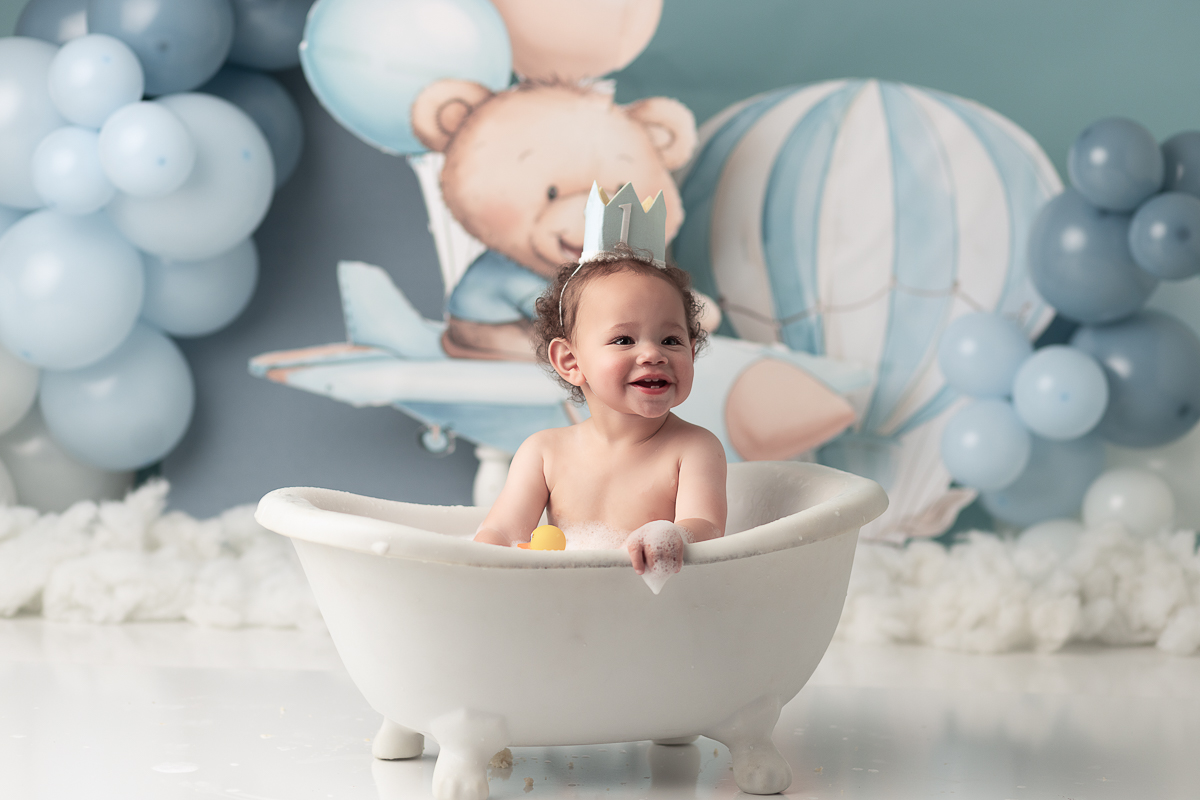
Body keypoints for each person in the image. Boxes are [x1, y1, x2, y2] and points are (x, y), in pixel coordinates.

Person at [473, 242, 726, 580]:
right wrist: (475, 566)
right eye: (624, 340)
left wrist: (672, 534)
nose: (653, 354)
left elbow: (706, 528)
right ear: (571, 361)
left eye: (671, 340)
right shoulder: (544, 452)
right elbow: (502, 534)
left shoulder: (694, 447)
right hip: (564, 606)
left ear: (691, 353)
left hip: (651, 608)